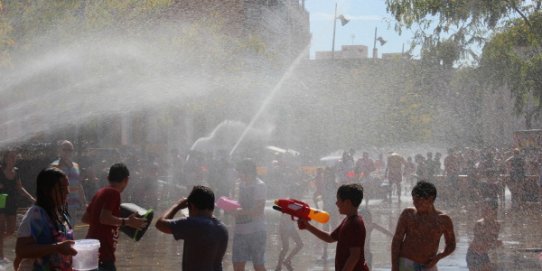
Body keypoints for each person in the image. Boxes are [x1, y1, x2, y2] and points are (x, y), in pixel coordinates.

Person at [82, 163, 147, 271]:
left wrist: (113, 223)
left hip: (91, 249)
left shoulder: (100, 192)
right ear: (127, 179)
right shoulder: (113, 193)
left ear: (108, 178)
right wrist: (126, 222)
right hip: (103, 252)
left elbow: (86, 218)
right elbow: (104, 218)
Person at [15, 167, 76, 270]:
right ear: (46, 190)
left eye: (67, 187)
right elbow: (21, 250)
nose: (67, 192)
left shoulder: (60, 213)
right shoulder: (36, 215)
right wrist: (57, 247)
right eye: (61, 189)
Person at [297, 183, 369, 271]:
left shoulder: (355, 224)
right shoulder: (347, 221)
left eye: (338, 200)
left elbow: (354, 256)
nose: (336, 203)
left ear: (347, 202)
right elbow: (330, 237)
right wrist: (308, 226)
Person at [155, 185, 228, 271]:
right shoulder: (222, 228)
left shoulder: (193, 224)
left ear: (192, 206)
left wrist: (177, 206)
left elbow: (160, 224)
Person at [391, 181, 456, 271]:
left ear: (430, 199)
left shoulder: (443, 220)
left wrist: (438, 257)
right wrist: (394, 266)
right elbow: (397, 241)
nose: (415, 203)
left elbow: (451, 245)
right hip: (407, 263)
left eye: (418, 201)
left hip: (429, 265)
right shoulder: (408, 214)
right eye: (413, 200)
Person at [231, 159, 267, 271]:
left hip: (256, 231)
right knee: (237, 265)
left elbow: (259, 210)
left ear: (249, 171)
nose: (239, 174)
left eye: (241, 172)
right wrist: (230, 206)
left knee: (258, 265)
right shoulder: (239, 184)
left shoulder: (259, 185)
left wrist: (240, 212)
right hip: (240, 231)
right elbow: (237, 203)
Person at [0, 150, 36, 263]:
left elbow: (20, 188)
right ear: (5, 159)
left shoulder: (16, 172)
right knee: (1, 229)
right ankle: (1, 257)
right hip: (1, 199)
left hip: (11, 202)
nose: (13, 159)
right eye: (11, 157)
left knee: (11, 230)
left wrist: (31, 198)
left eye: (14, 157)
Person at [50, 140, 86, 219]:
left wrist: (83, 202)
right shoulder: (55, 166)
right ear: (59, 150)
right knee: (60, 229)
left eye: (70, 150)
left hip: (73, 204)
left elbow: (79, 184)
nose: (67, 152)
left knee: (70, 229)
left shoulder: (76, 166)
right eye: (64, 149)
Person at [466, 198, 502, 271]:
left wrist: (495, 243)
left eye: (487, 209)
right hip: (473, 255)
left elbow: (491, 242)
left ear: (494, 211)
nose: (484, 211)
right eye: (483, 209)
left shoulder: (497, 225)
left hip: (484, 255)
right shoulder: (479, 224)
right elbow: (479, 244)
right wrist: (493, 244)